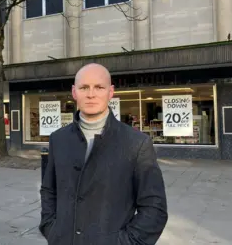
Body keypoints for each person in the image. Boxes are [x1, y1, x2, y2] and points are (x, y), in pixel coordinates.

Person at [39, 63, 168, 244]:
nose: (91, 94)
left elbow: (155, 209)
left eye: (99, 87)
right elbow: (49, 190)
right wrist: (52, 229)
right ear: (74, 92)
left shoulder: (137, 143)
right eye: (84, 87)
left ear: (111, 92)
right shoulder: (58, 139)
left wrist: (124, 242)